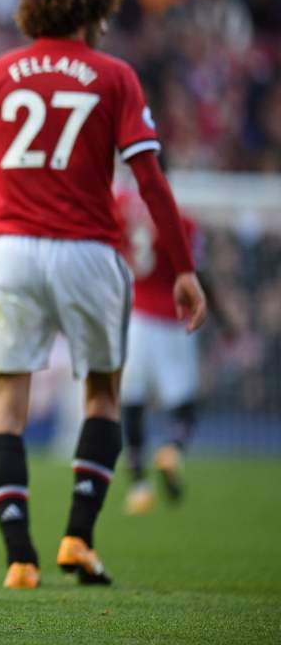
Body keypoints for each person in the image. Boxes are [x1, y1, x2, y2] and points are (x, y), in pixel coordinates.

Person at [0, 0, 207, 589]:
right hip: (86, 252)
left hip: (9, 247)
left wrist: (2, 229)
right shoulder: (114, 76)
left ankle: (19, 556)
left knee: (5, 405)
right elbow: (150, 179)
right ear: (93, 14)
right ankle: (78, 537)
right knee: (102, 394)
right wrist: (183, 268)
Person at [116, 186, 233, 514]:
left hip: (135, 318)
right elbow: (198, 276)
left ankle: (139, 486)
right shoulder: (182, 222)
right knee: (183, 404)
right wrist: (224, 321)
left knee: (132, 403)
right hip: (172, 320)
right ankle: (172, 449)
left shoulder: (123, 209)